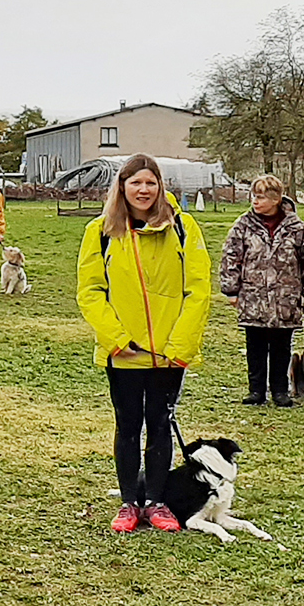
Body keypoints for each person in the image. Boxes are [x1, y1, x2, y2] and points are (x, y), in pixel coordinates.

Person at [76, 154, 211, 534]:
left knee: (160, 424)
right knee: (128, 426)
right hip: (124, 354)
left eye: (150, 182)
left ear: (160, 186)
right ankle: (128, 503)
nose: (144, 190)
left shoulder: (184, 228)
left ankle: (156, 501)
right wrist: (117, 339)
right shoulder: (100, 231)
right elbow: (90, 292)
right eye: (136, 182)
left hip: (169, 355)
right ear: (122, 186)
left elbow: (198, 289)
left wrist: (180, 345)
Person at [219, 174, 304, 407]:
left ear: (276, 199)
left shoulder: (297, 228)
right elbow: (230, 257)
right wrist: (231, 290)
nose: (255, 201)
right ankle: (256, 391)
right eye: (254, 196)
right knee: (254, 347)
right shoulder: (243, 225)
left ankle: (280, 391)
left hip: (286, 300)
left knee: (281, 348)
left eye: (262, 197)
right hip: (253, 298)